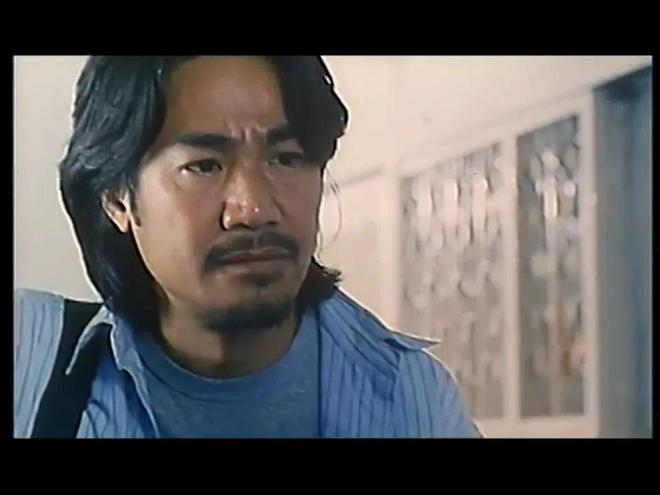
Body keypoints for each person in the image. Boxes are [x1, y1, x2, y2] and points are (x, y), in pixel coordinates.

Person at [14, 56, 480, 438]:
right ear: (117, 197)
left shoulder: (409, 397)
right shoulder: (28, 361)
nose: (253, 210)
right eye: (204, 166)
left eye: (286, 159)